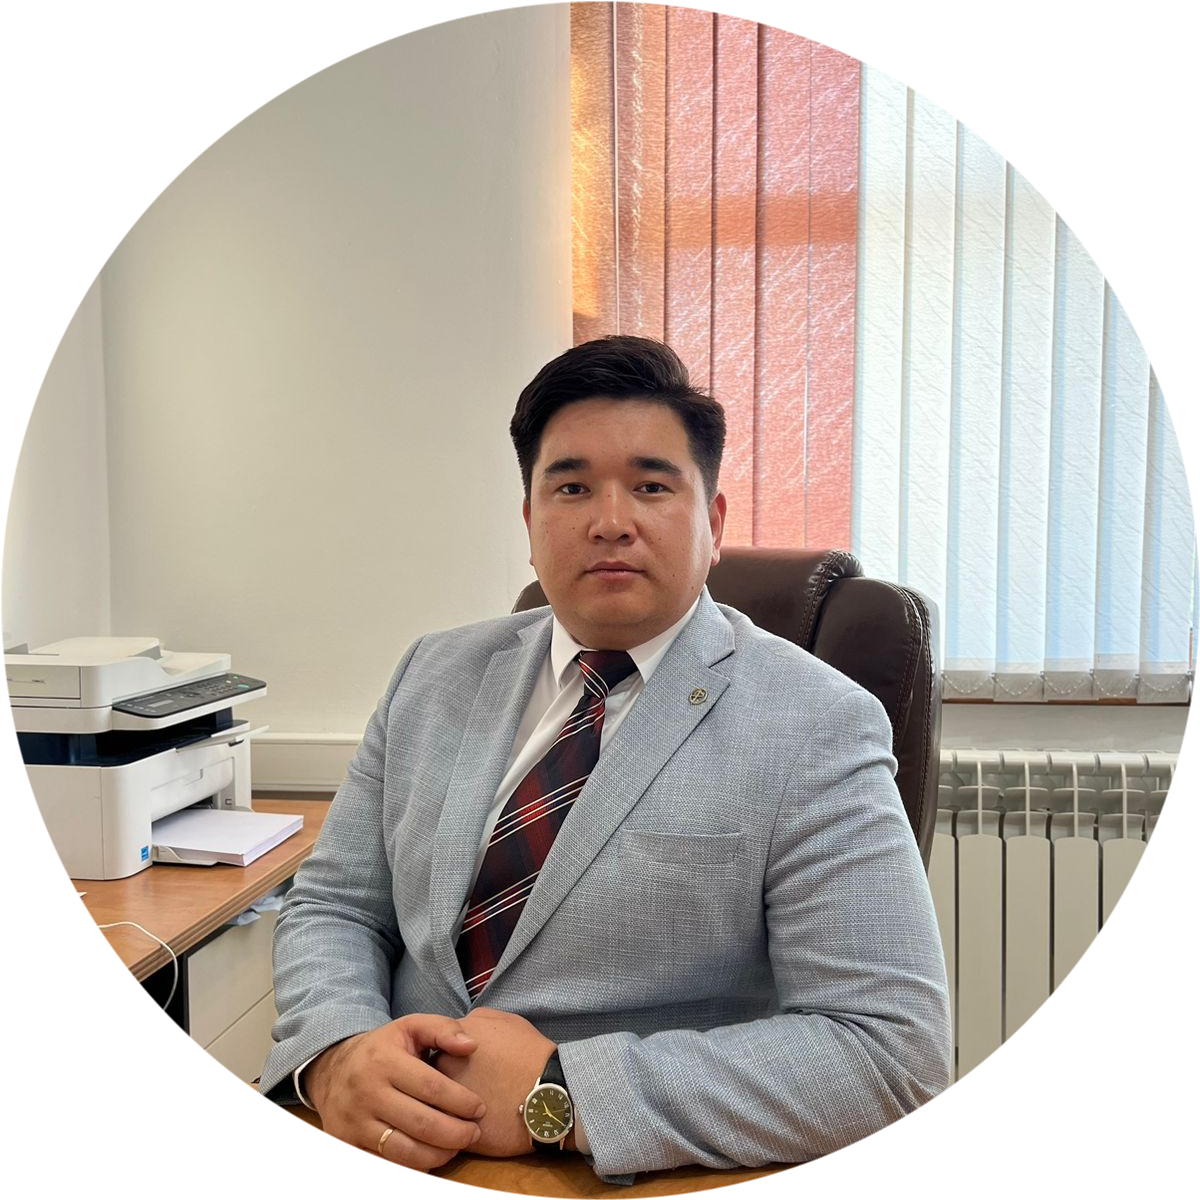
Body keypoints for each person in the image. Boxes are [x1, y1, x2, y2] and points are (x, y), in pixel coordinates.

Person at [259, 336, 951, 1181]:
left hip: (612, 1175)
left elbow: (889, 1052)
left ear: (713, 523)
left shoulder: (816, 723)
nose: (610, 521)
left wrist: (560, 1091)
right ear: (530, 523)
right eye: (572, 486)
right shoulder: (432, 675)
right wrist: (337, 1053)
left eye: (652, 486)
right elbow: (335, 906)